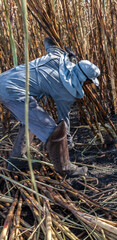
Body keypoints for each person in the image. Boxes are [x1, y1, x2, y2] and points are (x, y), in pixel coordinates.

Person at [0, 37, 100, 177]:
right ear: (84, 79)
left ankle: (17, 159)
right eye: (89, 82)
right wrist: (67, 142)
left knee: (31, 121)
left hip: (5, 80)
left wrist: (63, 51)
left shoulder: (58, 57)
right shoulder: (66, 90)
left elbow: (48, 42)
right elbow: (63, 121)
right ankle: (65, 168)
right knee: (51, 129)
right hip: (13, 91)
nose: (88, 85)